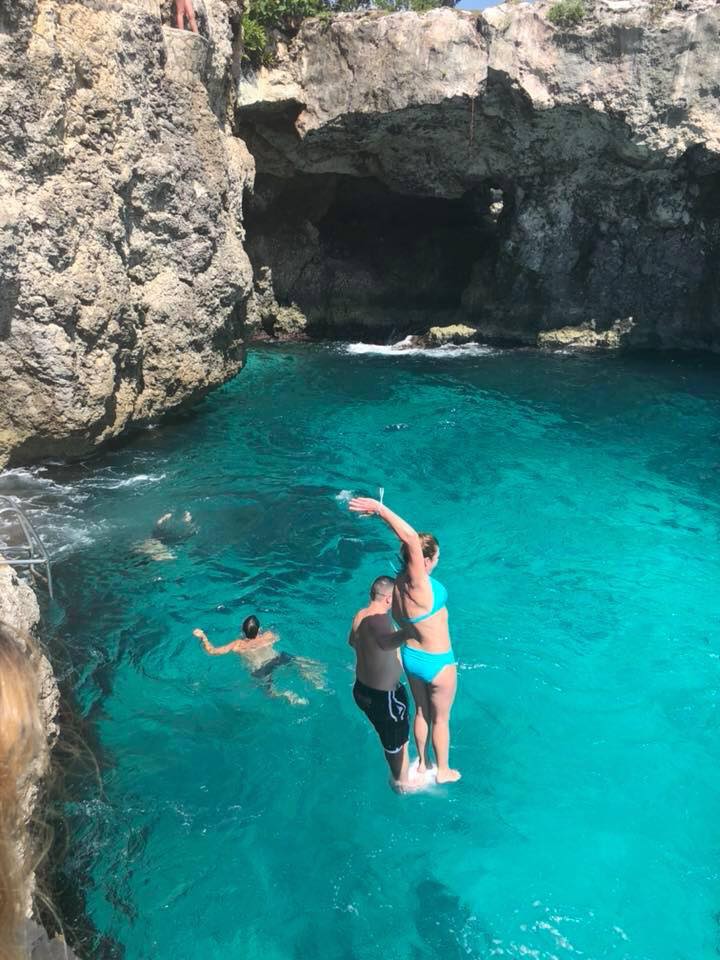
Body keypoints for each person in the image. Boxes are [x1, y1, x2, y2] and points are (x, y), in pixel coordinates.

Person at [348, 498, 461, 783]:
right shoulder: (419, 585)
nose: (438, 561)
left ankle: (423, 764)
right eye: (436, 558)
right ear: (425, 561)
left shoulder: (395, 587)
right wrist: (380, 509)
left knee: (421, 712)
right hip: (438, 660)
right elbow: (410, 538)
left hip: (412, 658)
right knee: (442, 719)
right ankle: (443, 770)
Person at [349, 576, 414, 792]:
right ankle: (399, 783)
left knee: (392, 735)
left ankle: (400, 771)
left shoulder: (360, 615)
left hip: (362, 690)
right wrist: (409, 632)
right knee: (394, 744)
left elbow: (352, 641)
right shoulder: (380, 619)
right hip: (384, 698)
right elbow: (386, 643)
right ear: (388, 599)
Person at [193, 615, 324, 706]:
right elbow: (276, 638)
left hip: (260, 669)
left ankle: (288, 696)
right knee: (298, 662)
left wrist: (203, 637)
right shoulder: (269, 635)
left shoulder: (238, 645)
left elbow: (212, 651)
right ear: (259, 629)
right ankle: (315, 680)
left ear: (243, 632)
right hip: (277, 659)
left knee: (270, 693)